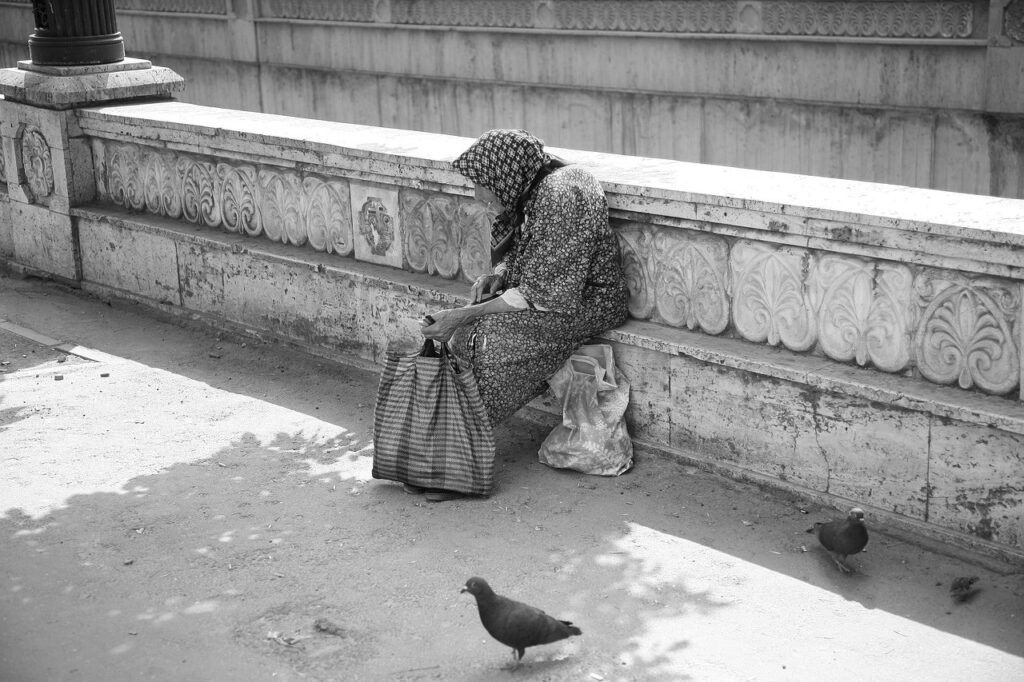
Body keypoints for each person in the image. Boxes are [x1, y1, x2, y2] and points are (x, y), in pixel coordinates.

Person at [413, 129, 629, 500]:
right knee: (470, 334)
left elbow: (545, 291)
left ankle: (459, 462)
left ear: (505, 175)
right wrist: (496, 277)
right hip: (550, 294)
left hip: (585, 302)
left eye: (483, 185)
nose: (479, 196)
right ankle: (442, 446)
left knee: (495, 342)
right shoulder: (533, 189)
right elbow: (529, 255)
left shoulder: (563, 194)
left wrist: (463, 315)